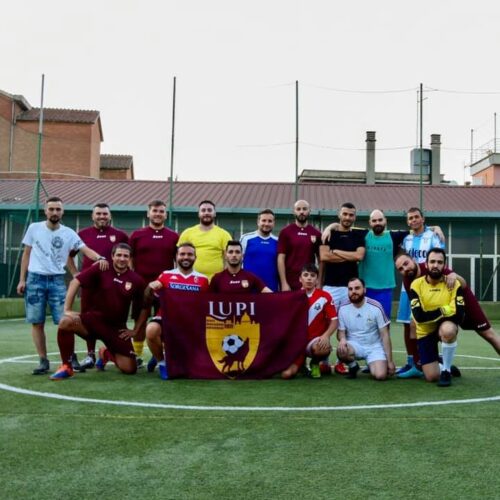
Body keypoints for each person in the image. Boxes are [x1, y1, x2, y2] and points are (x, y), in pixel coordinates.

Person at [16, 196, 104, 375]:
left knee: (66, 322)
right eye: (51, 209)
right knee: (37, 322)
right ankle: (43, 360)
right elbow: (26, 254)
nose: (54, 212)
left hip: (57, 281)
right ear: (45, 211)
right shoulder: (34, 228)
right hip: (35, 280)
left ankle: (70, 358)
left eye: (58, 209)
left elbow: (85, 249)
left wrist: (100, 258)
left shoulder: (69, 233)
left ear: (62, 212)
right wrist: (22, 279)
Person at [50, 243, 148, 380]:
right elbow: (75, 282)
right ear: (112, 257)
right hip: (93, 321)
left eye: (126, 256)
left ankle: (106, 354)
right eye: (118, 255)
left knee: (130, 369)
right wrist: (67, 309)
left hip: (116, 329)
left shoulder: (136, 280)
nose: (122, 258)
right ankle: (66, 366)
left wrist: (135, 330)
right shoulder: (101, 268)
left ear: (130, 258)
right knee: (65, 322)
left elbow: (145, 307)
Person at [395, 252, 500, 355]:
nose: (405, 269)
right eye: (400, 269)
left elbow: (463, 284)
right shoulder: (407, 281)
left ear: (413, 260)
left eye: (406, 263)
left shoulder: (431, 266)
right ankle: (419, 363)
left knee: (488, 334)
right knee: (416, 325)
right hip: (442, 310)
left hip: (463, 303)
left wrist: (454, 275)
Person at [70, 202, 129, 370]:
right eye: (99, 214)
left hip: (113, 285)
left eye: (105, 214)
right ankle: (90, 355)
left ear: (110, 216)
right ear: (92, 216)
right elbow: (69, 256)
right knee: (87, 317)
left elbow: (128, 257)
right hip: (90, 285)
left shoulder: (120, 235)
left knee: (116, 316)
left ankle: (114, 350)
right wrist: (75, 273)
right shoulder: (82, 234)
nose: (102, 216)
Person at [145, 243, 209, 379]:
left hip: (189, 324)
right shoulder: (165, 275)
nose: (186, 257)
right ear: (176, 257)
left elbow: (205, 306)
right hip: (166, 318)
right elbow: (148, 297)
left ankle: (164, 355)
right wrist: (150, 287)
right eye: (182, 254)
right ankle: (162, 362)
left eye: (190, 254)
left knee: (192, 368)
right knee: (151, 330)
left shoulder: (203, 280)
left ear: (195, 257)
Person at [397, 207, 445, 378]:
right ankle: (412, 362)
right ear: (408, 222)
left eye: (416, 217)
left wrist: (435, 228)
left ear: (423, 219)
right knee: (405, 323)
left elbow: (440, 258)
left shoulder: (434, 237)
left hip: (427, 287)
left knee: (429, 322)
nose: (413, 220)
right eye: (410, 218)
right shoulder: (406, 239)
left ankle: (431, 359)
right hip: (407, 287)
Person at [129, 200, 179, 364]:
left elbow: (177, 261)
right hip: (142, 287)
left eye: (161, 211)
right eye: (155, 211)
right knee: (140, 321)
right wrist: (132, 278)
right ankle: (137, 355)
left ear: (166, 214)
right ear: (148, 213)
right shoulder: (137, 235)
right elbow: (130, 258)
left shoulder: (173, 236)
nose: (158, 214)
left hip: (164, 288)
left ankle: (160, 353)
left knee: (164, 322)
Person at [408, 248, 465, 387]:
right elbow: (419, 317)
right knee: (431, 376)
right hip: (424, 331)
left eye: (440, 262)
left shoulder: (453, 284)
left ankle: (445, 371)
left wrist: (439, 314)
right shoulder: (416, 285)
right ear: (426, 264)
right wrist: (445, 309)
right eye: (432, 261)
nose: (435, 265)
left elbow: (459, 314)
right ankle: (444, 364)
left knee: (448, 330)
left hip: (443, 327)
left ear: (444, 265)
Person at [281, 264, 338, 380]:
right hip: (297, 343)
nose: (309, 278)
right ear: (300, 279)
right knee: (286, 375)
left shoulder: (324, 296)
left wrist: (326, 336)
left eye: (313, 276)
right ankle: (300, 365)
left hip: (314, 341)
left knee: (323, 348)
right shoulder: (293, 297)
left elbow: (334, 320)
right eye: (306, 275)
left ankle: (315, 363)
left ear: (317, 279)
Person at [336, 277, 395, 380]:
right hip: (354, 345)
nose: (353, 292)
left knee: (380, 376)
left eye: (357, 288)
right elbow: (341, 332)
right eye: (350, 289)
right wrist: (342, 339)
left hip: (374, 347)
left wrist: (390, 361)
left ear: (364, 289)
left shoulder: (376, 307)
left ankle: (373, 364)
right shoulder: (343, 308)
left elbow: (385, 335)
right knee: (341, 350)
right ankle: (353, 366)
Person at [277, 200, 321, 291]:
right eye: (298, 209)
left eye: (304, 209)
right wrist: (284, 283)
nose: (301, 212)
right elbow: (281, 258)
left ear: (309, 211)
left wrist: (319, 281)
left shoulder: (316, 233)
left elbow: (321, 260)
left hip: (309, 283)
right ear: (294, 212)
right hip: (290, 283)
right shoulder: (285, 232)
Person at [240, 209, 279, 291]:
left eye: (270, 221)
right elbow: (238, 262)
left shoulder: (278, 241)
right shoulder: (245, 238)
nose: (266, 224)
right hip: (249, 288)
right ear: (258, 222)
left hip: (271, 288)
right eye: (264, 220)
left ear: (274, 223)